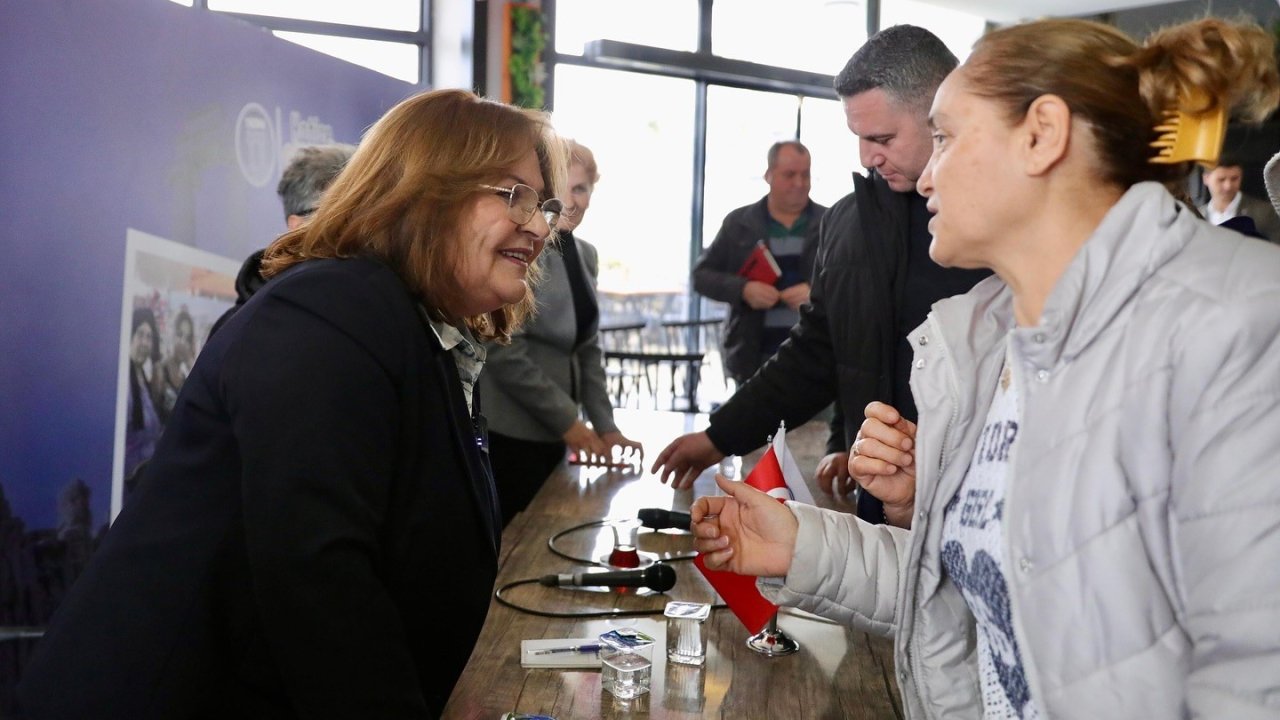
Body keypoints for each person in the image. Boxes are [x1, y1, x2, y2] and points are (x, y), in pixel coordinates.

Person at [693, 17, 1280, 719]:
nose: (928, 172)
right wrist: (802, 545)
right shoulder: (981, 342)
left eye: (944, 135)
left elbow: (1253, 675)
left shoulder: (1241, 323)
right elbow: (968, 600)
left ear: (1041, 135)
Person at [18, 89, 566, 719]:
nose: (539, 224)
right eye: (512, 194)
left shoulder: (417, 334)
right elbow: (321, 583)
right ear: (422, 190)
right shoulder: (331, 312)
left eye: (543, 204)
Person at [653, 26, 989, 525]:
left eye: (882, 138)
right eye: (859, 139)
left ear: (942, 114)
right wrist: (720, 436)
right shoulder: (848, 221)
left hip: (980, 499)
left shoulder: (999, 220)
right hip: (880, 498)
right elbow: (817, 352)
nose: (867, 158)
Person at [480, 139, 642, 526]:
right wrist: (569, 421)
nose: (572, 200)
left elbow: (587, 348)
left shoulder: (585, 253)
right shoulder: (521, 246)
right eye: (561, 187)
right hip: (512, 434)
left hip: (556, 435)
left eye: (582, 188)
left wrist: (605, 426)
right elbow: (504, 349)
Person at [692, 140, 826, 385]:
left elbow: (856, 283)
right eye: (789, 175)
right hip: (752, 360)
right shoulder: (739, 223)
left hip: (815, 360)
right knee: (751, 423)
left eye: (805, 175)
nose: (799, 183)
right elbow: (701, 276)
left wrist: (817, 294)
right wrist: (743, 289)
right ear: (768, 175)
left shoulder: (832, 223)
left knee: (816, 426)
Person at [209, 143, 357, 338]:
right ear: (297, 225)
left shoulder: (381, 302)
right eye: (340, 216)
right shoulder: (241, 329)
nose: (356, 228)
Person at [1198, 157, 1280, 243]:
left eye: (1234, 179)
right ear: (1206, 179)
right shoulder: (1196, 215)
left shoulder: (1265, 213)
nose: (1228, 186)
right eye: (1221, 180)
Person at [123, 307, 163, 481]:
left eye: (149, 337)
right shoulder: (123, 383)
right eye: (140, 334)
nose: (145, 343)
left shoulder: (143, 380)